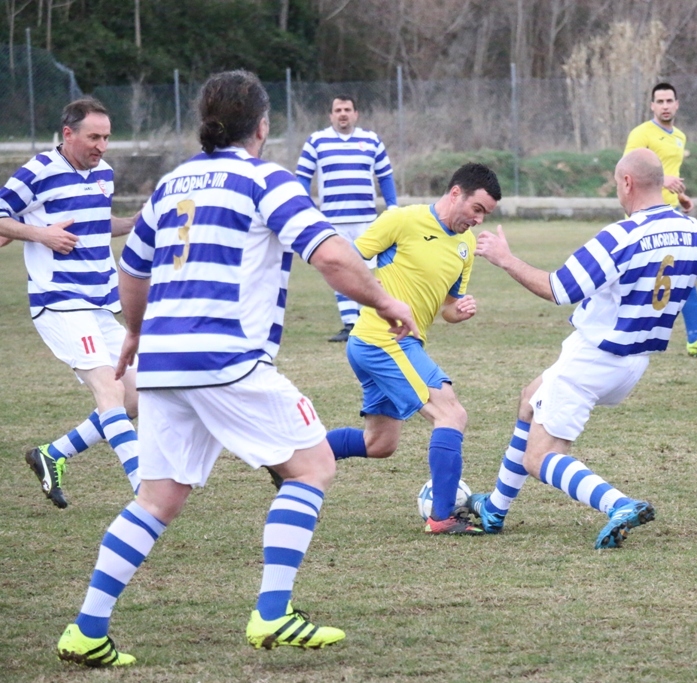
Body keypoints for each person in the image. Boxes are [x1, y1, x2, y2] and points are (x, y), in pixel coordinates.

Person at [54, 70, 418, 667]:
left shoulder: (171, 184)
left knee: (157, 499)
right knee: (312, 467)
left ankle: (87, 629)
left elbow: (133, 271)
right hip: (225, 357)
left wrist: (137, 334)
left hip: (165, 364)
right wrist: (382, 300)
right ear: (263, 126)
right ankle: (273, 613)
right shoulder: (264, 178)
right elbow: (328, 253)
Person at [469, 149, 697, 549]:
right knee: (530, 397)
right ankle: (495, 509)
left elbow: (557, 289)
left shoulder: (620, 236)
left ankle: (620, 505)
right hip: (633, 364)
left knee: (540, 458)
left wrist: (505, 259)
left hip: (593, 357)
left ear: (626, 183)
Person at [321, 162, 501, 535]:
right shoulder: (402, 221)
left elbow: (449, 306)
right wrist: (381, 302)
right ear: (455, 194)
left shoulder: (465, 244)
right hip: (384, 340)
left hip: (383, 345)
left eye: (486, 214)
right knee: (451, 414)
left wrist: (459, 311)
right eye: (477, 209)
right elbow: (345, 262)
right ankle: (442, 518)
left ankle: (291, 455)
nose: (479, 221)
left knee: (379, 443)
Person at [0, 97, 144, 508]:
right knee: (109, 390)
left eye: (106, 138)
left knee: (137, 397)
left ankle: (52, 454)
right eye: (93, 137)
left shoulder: (105, 173)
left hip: (101, 304)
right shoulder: (39, 170)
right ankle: (143, 488)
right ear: (68, 134)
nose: (101, 146)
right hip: (60, 302)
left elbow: (98, 224)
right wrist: (41, 234)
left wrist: (134, 222)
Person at [625, 82, 697, 357]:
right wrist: (660, 180)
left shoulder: (680, 136)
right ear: (652, 106)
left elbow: (671, 175)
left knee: (687, 271)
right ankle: (622, 332)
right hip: (644, 214)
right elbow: (626, 171)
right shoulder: (641, 133)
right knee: (638, 277)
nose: (665, 105)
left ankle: (695, 339)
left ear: (677, 104)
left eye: (670, 100)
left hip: (671, 212)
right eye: (660, 101)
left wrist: (681, 196)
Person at [295, 94, 398, 342]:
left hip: (366, 221)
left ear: (356, 113)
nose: (343, 113)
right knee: (340, 271)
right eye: (338, 109)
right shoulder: (316, 142)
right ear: (330, 115)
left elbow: (385, 175)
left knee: (367, 272)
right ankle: (349, 324)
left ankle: (366, 324)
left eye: (347, 109)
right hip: (333, 221)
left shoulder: (371, 140)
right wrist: (304, 208)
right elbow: (301, 178)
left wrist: (393, 206)